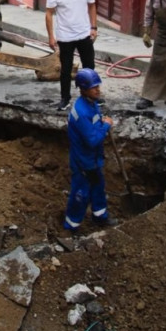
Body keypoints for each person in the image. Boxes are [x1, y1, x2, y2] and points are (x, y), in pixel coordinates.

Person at [63, 68, 115, 232]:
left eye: (98, 86)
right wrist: (106, 126)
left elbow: (95, 126)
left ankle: (100, 217)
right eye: (94, 87)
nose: (98, 90)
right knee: (81, 194)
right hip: (83, 162)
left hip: (93, 159)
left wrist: (102, 122)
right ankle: (71, 226)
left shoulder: (92, 104)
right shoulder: (82, 112)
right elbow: (92, 140)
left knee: (98, 188)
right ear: (83, 89)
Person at [46, 0, 98, 111]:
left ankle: (91, 96)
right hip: (65, 36)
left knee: (89, 67)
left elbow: (92, 5)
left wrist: (93, 27)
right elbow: (49, 13)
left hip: (84, 33)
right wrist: (51, 36)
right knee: (66, 69)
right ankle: (65, 98)